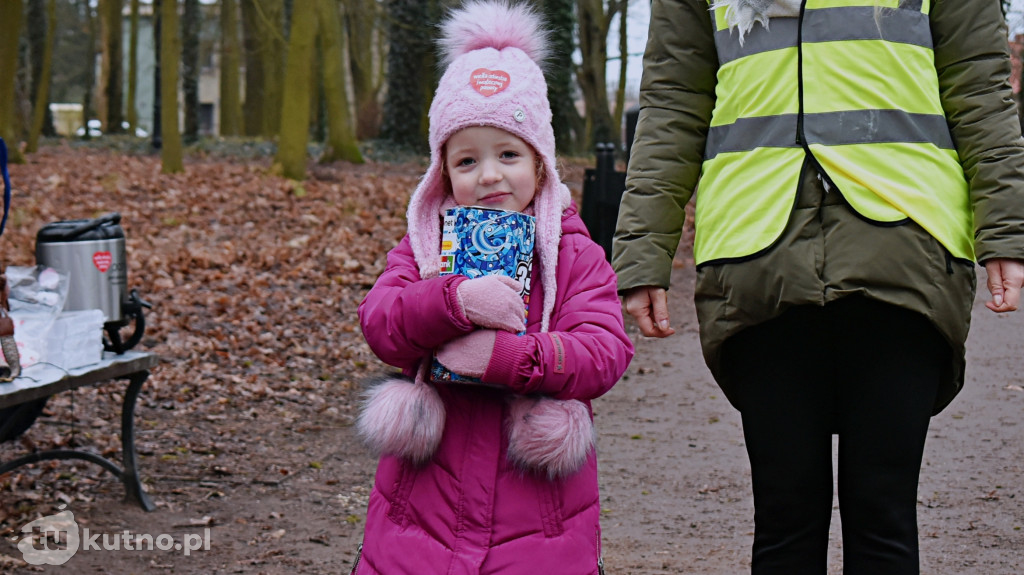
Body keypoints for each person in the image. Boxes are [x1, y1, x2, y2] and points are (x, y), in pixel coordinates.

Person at [613, 0, 1024, 573]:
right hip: (756, 256)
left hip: (904, 247)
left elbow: (979, 89)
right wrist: (642, 255)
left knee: (883, 516)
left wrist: (1007, 231)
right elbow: (672, 105)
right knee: (784, 523)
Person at [354, 2, 634, 573]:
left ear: (540, 164)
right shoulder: (423, 247)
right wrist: (451, 300)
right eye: (466, 160)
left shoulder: (574, 254)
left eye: (508, 154)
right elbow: (380, 321)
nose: (488, 175)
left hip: (539, 525)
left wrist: (508, 356)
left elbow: (604, 352)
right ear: (443, 174)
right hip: (420, 517)